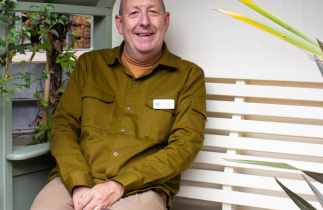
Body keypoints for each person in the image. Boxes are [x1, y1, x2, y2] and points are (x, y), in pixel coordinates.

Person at [31, 0, 206, 209]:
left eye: (153, 12)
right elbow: (63, 126)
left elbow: (185, 146)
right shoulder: (89, 65)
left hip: (143, 188)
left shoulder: (188, 76)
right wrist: (78, 182)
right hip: (77, 180)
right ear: (119, 24)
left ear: (165, 21)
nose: (144, 22)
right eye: (134, 13)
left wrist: (118, 185)